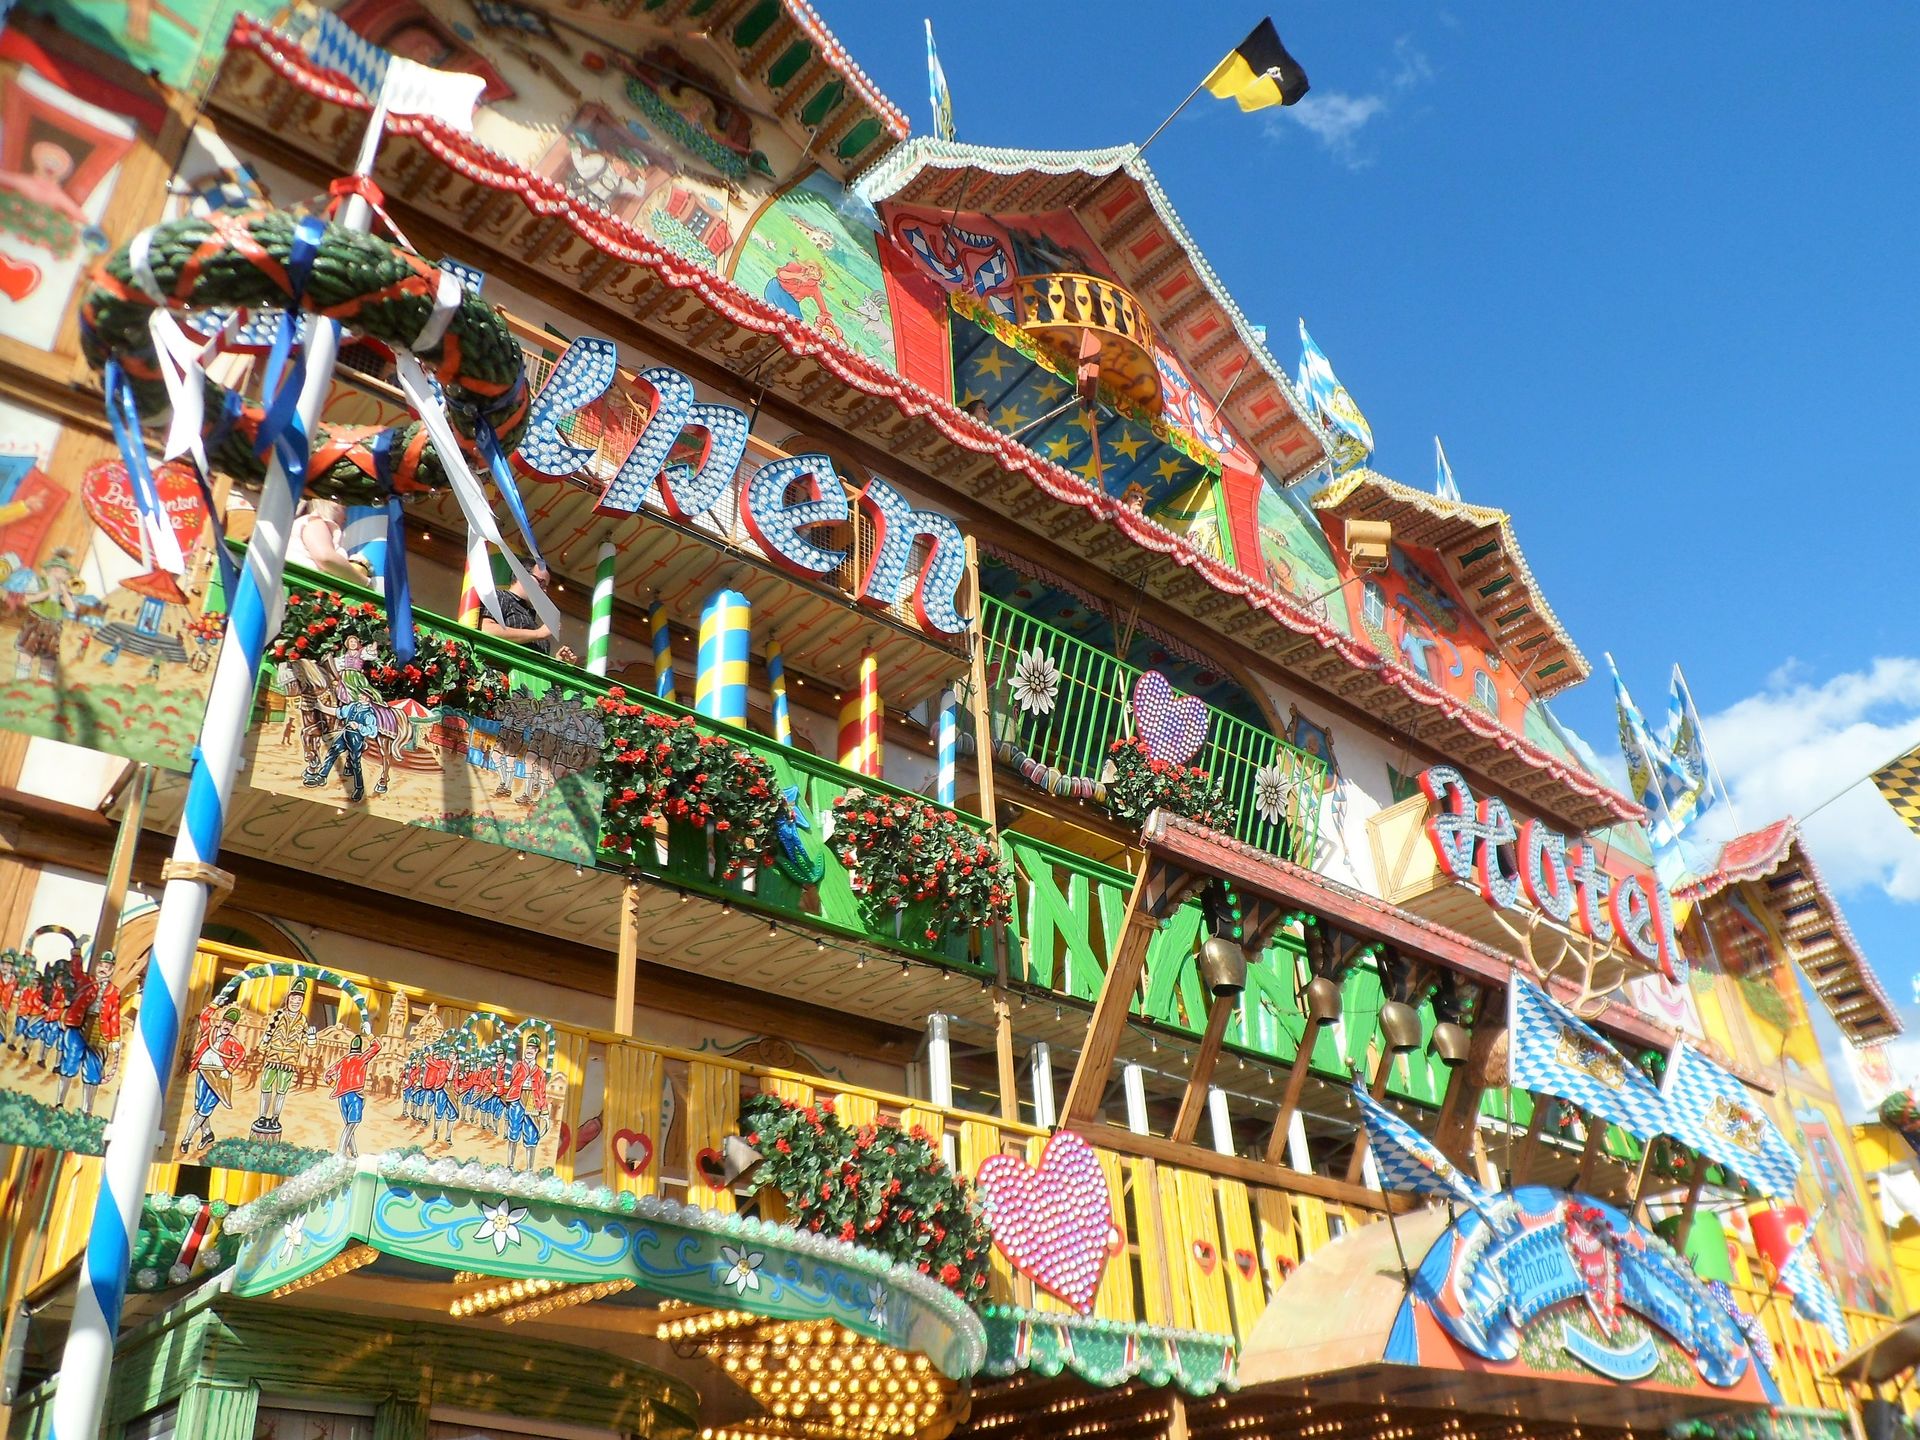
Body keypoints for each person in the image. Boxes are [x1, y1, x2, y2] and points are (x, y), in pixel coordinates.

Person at [479, 559, 578, 664]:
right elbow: (487, 629)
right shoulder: (501, 597)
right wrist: (538, 633)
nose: (544, 591)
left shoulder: (532, 618)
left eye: (545, 587)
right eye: (541, 582)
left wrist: (558, 662)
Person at [182, 1008, 244, 1154]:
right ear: (221, 1022)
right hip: (203, 1071)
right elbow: (204, 1017)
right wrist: (215, 1004)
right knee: (199, 1106)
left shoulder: (232, 1041)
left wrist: (229, 1069)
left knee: (204, 1110)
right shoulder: (209, 1031)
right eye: (226, 1022)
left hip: (218, 1077)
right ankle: (207, 1133)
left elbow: (241, 1054)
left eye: (231, 1025)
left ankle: (186, 1139)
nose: (227, 1026)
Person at [323, 1033, 381, 1158]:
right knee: (352, 1125)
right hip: (355, 1094)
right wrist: (370, 1035)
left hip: (341, 1096)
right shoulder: (361, 1058)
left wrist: (336, 1085)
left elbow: (326, 1075)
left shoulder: (342, 1061)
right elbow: (377, 1046)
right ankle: (341, 1152)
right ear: (360, 1048)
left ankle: (354, 1154)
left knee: (349, 1126)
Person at [285, 499, 369, 583]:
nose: (346, 518)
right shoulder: (315, 522)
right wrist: (364, 582)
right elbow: (325, 557)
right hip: (302, 583)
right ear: (333, 505)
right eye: (344, 509)